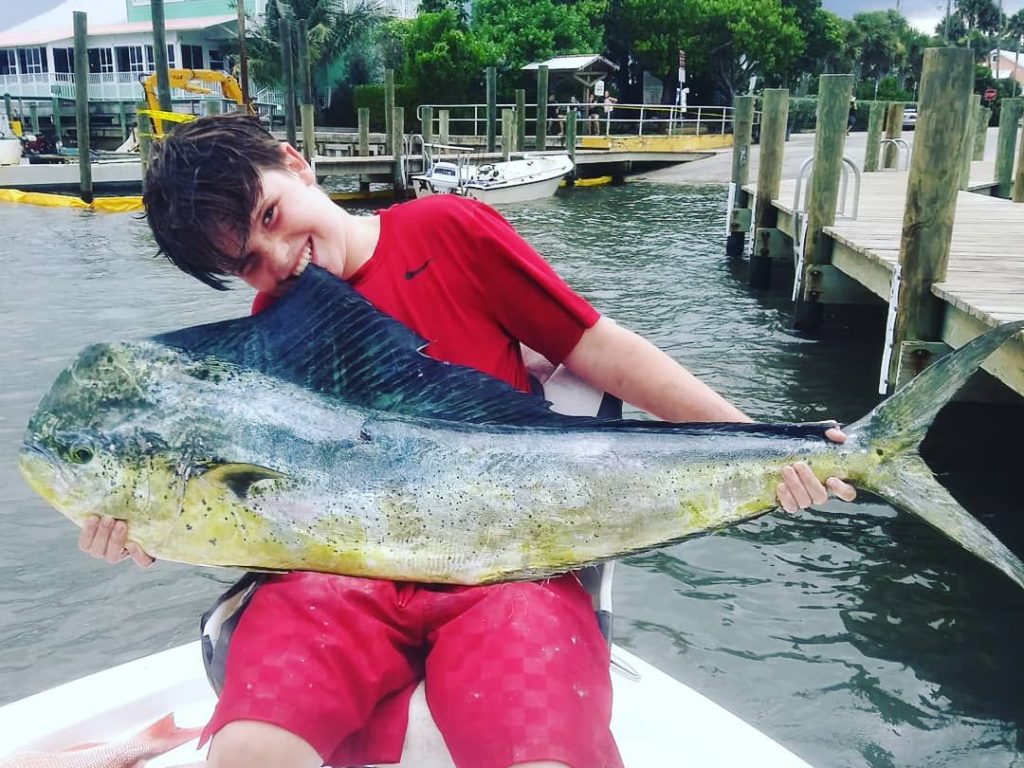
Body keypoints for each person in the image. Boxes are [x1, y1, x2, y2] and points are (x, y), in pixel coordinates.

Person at [79, 113, 857, 768]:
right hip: (339, 580)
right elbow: (266, 518)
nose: (279, 259)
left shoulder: (444, 228)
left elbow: (598, 349)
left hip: (508, 563)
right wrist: (153, 528)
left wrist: (760, 443)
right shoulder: (268, 343)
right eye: (248, 262)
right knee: (246, 752)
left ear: (296, 164)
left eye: (272, 218)